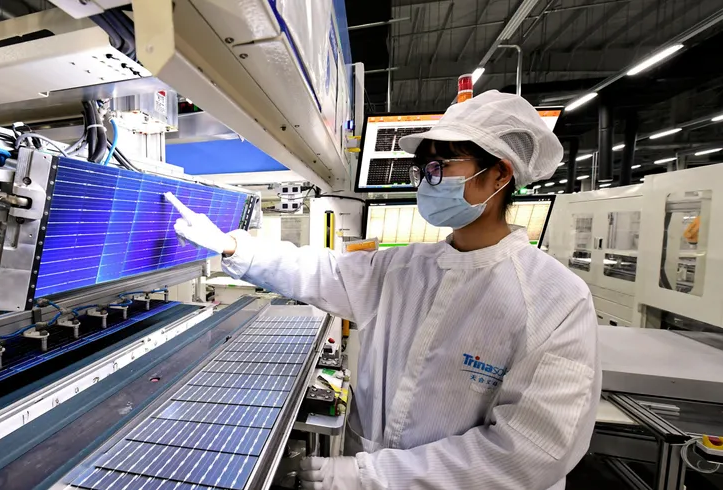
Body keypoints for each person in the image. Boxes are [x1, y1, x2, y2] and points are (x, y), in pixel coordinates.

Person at [165, 90, 600, 490]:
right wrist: (233, 244)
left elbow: (530, 453)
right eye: (424, 170)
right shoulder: (406, 267)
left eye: (440, 168)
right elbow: (321, 271)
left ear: (499, 175)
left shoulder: (556, 299)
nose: (427, 183)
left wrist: (368, 477)